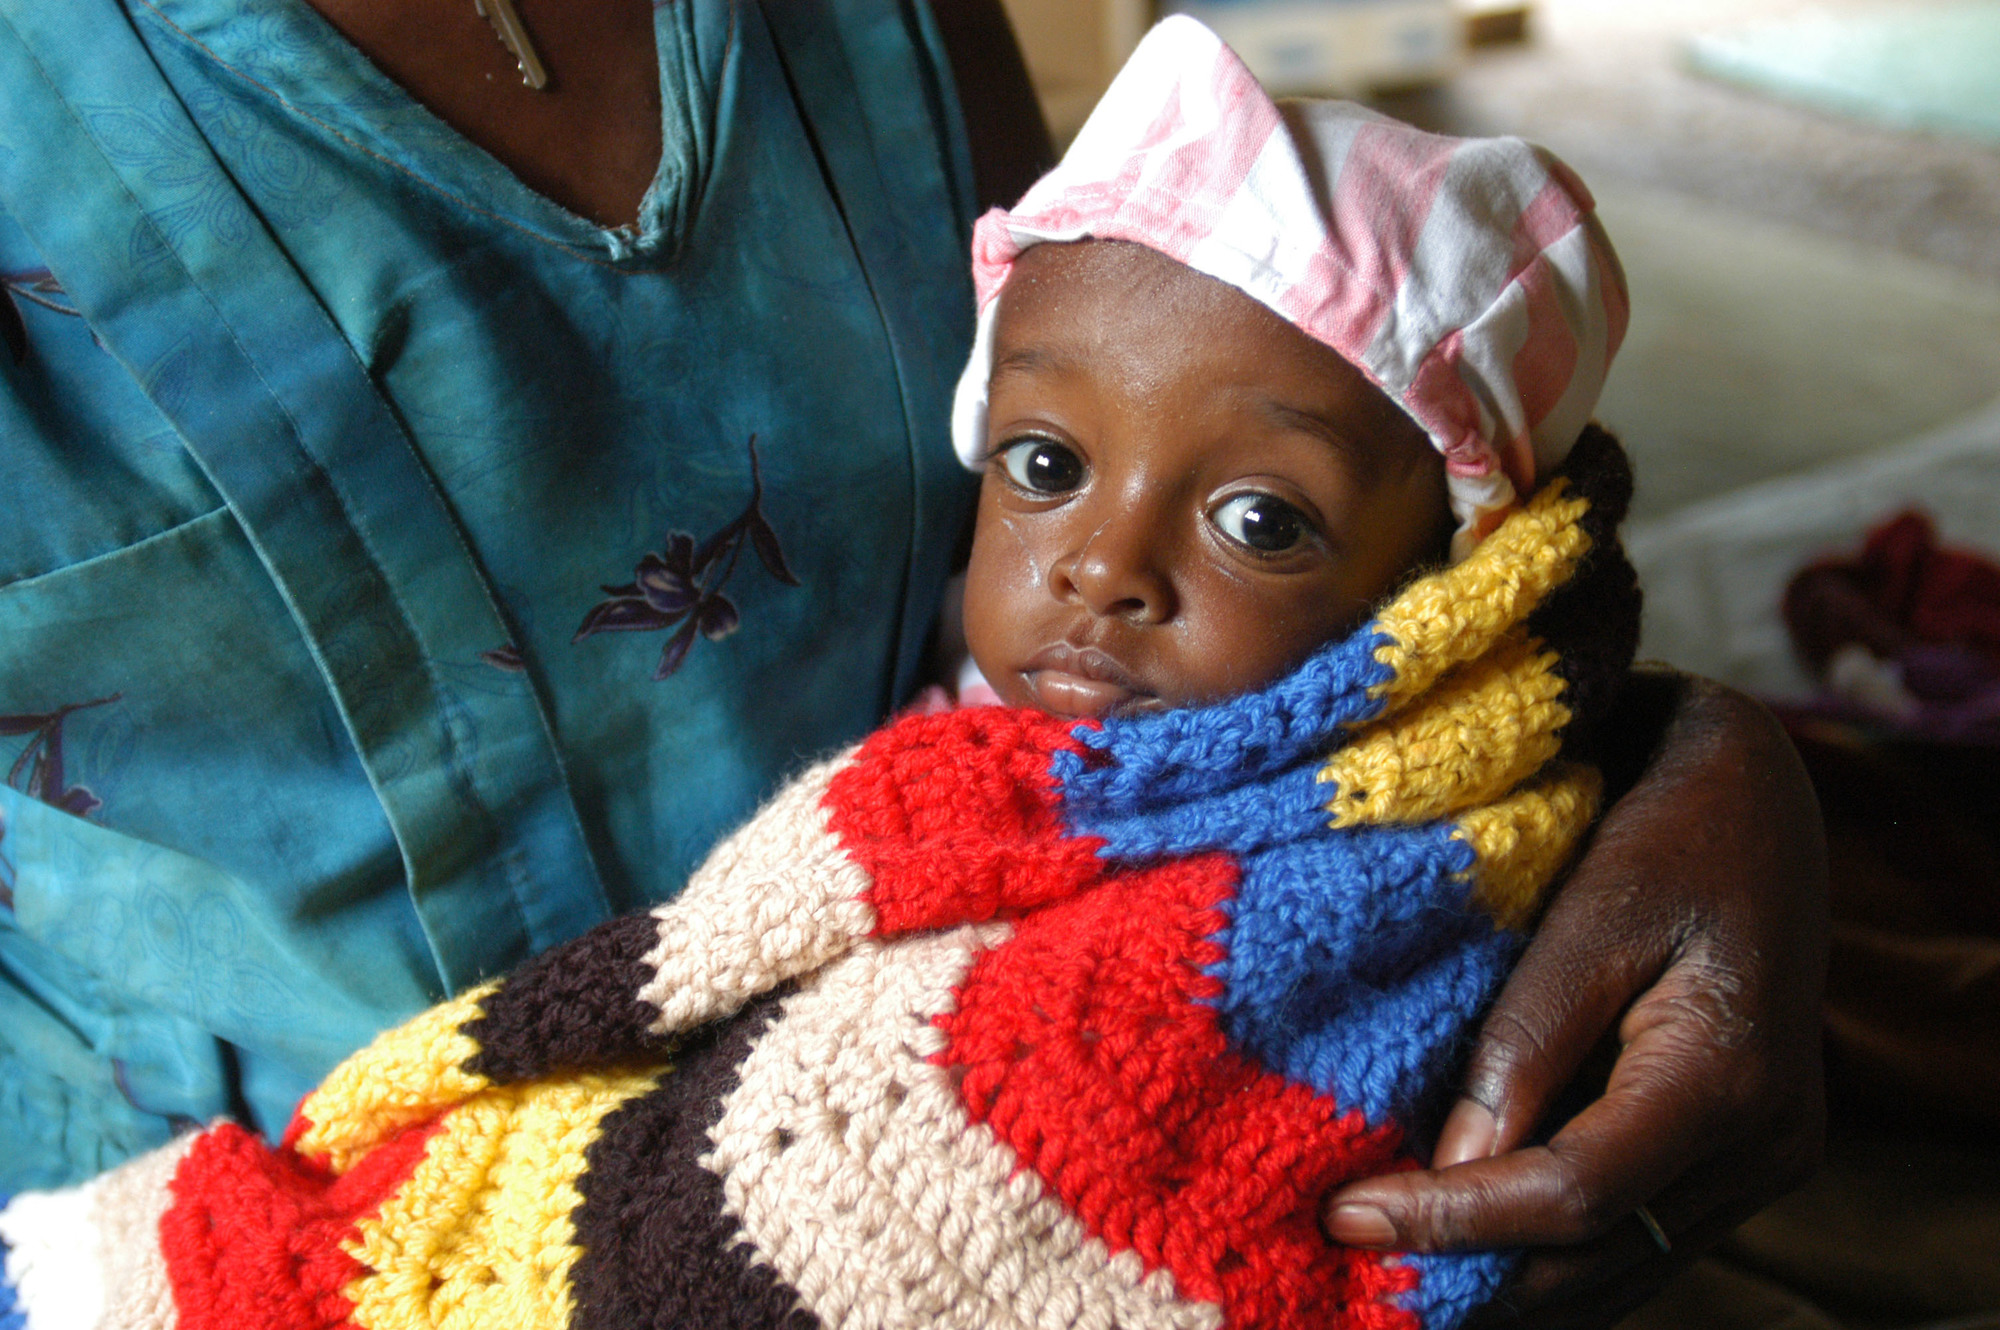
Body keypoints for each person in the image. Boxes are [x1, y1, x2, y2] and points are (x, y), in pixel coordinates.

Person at [0, 0, 1823, 1323]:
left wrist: (1671, 753)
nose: (1099, 567)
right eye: (1044, 475)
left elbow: (1192, 402)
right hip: (305, 1218)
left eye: (1251, 519)